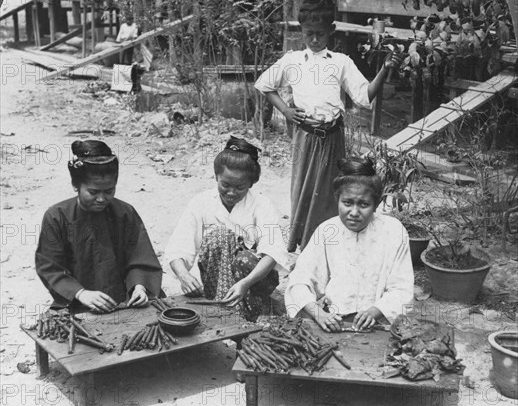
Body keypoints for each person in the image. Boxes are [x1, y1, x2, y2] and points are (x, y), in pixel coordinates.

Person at [255, 0, 404, 252]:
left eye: (320, 34)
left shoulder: (340, 63)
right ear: (301, 30)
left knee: (331, 190)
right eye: (309, 33)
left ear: (331, 32)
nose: (314, 39)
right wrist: (287, 112)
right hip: (305, 137)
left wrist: (384, 69)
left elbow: (364, 96)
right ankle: (301, 240)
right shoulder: (292, 61)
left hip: (332, 136)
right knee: (302, 188)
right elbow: (264, 85)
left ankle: (327, 242)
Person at [165, 136, 287, 321]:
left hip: (253, 280)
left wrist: (245, 283)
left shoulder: (262, 204)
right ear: (216, 177)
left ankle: (255, 310)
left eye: (240, 187)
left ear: (251, 183)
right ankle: (222, 311)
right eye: (225, 185)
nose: (231, 192)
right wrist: (183, 275)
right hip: (216, 281)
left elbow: (273, 252)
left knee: (244, 258)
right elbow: (179, 246)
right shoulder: (202, 202)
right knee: (219, 237)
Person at [284, 157, 413, 332]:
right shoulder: (328, 230)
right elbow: (299, 280)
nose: (354, 212)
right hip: (335, 319)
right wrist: (320, 314)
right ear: (337, 200)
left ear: (376, 204)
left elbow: (402, 288)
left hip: (380, 320)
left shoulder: (393, 231)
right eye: (347, 203)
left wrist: (375, 312)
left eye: (364, 204)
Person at [35, 140, 162, 312]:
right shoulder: (57, 216)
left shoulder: (125, 212)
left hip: (127, 300)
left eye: (109, 191)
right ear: (76, 185)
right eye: (93, 192)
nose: (102, 199)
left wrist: (139, 287)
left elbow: (140, 257)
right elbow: (50, 267)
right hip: (80, 303)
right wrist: (81, 293)